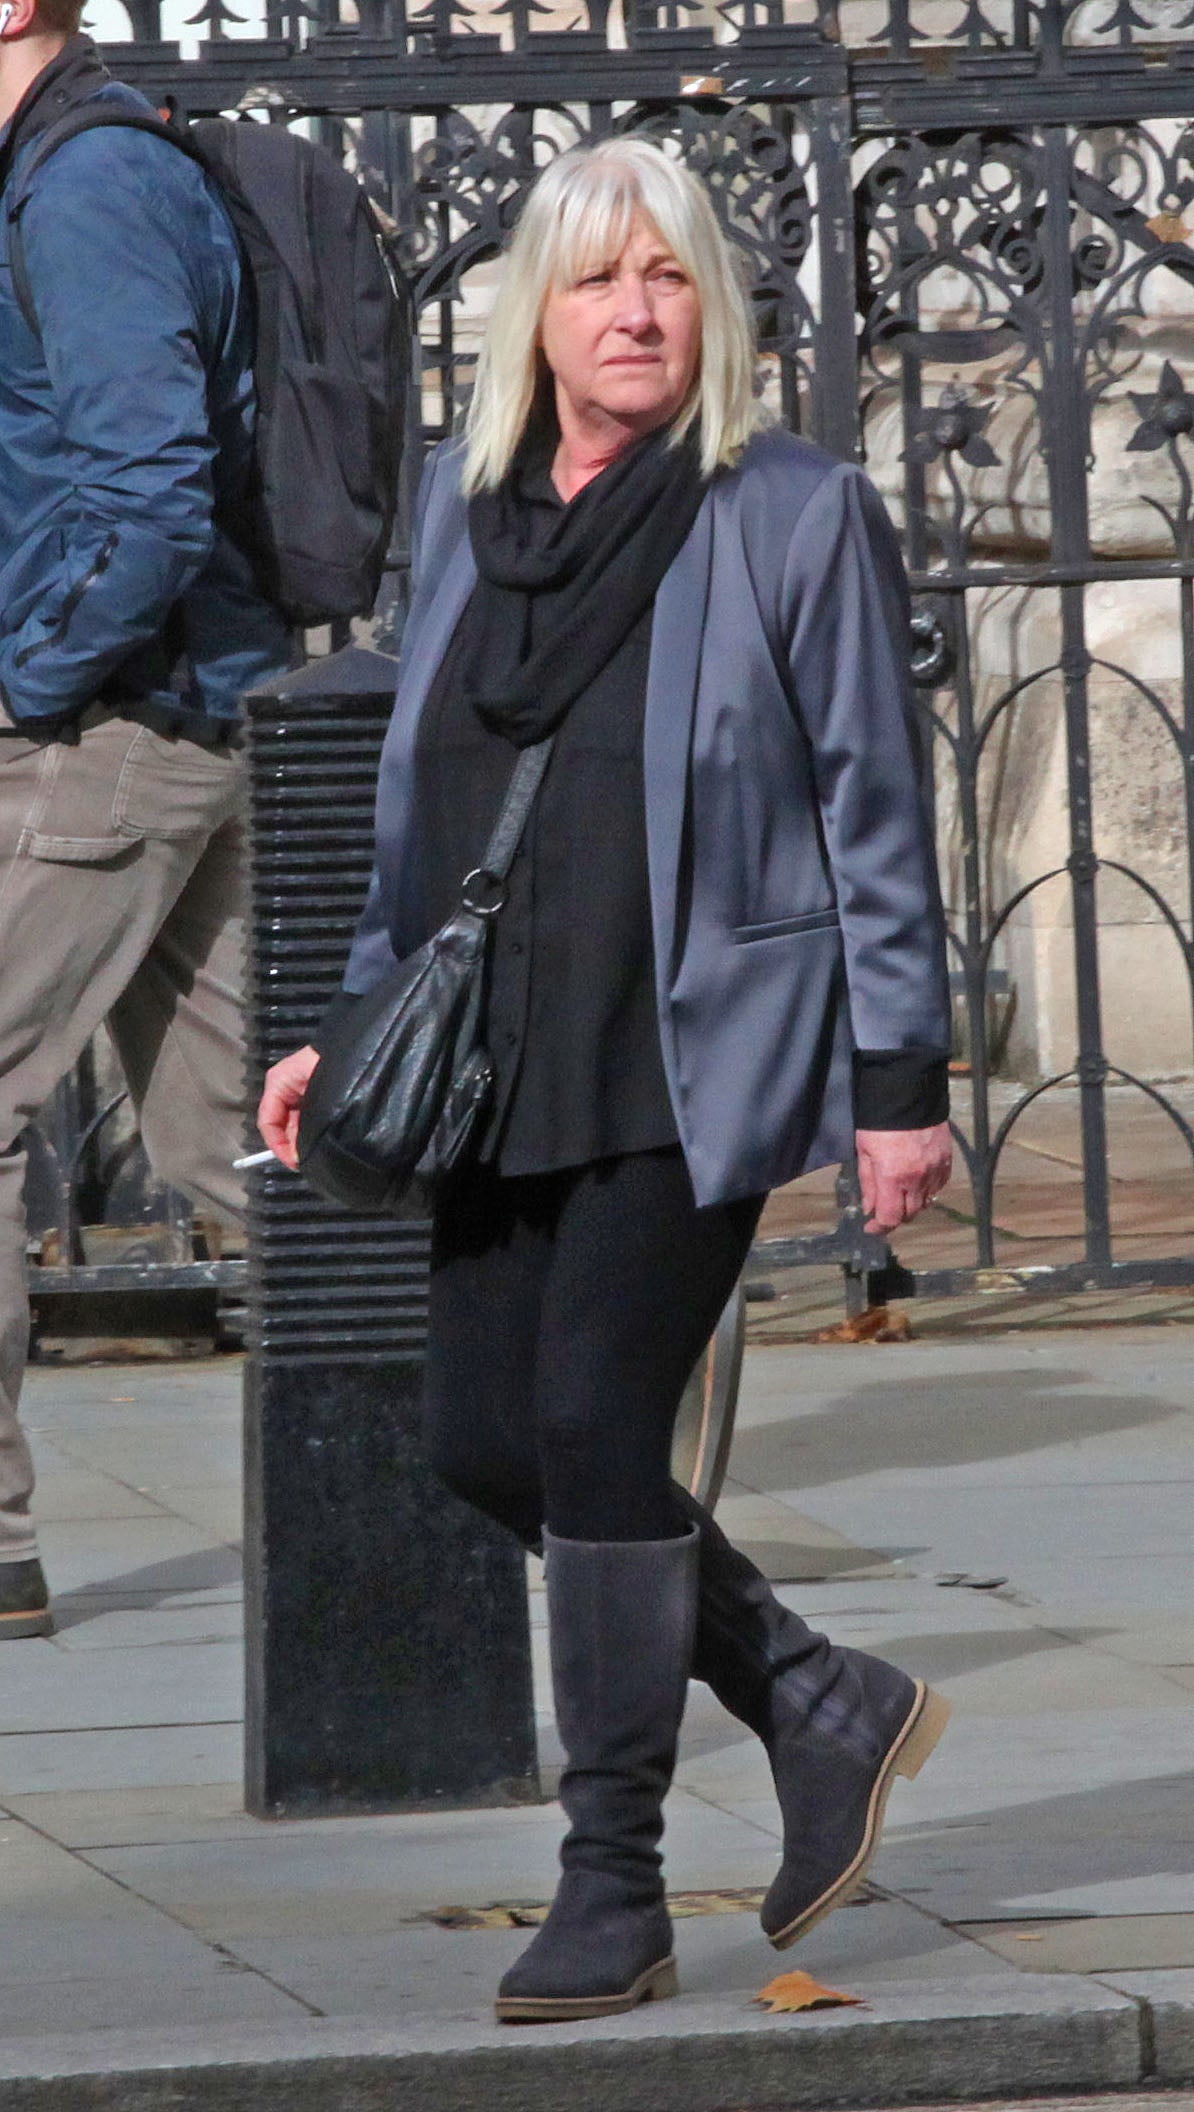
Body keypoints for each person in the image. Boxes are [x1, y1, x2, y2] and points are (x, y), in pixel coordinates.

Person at [259, 137, 954, 2025]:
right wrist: (351, 1021)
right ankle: (817, 1694)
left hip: (687, 1056)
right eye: (594, 279)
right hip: (496, 1061)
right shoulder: (465, 505)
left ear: (708, 304)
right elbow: (420, 808)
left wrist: (899, 1079)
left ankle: (612, 1879)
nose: (632, 313)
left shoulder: (792, 510)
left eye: (664, 278)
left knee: (587, 1425)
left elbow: (873, 802)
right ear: (537, 316)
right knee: (482, 1441)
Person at [0, 8, 290, 1637]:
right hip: (170, 709)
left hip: (114, 722)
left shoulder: (87, 184)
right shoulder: (62, 169)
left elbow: (148, 493)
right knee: (241, 1140)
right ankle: (530, 1416)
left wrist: (31, 677)